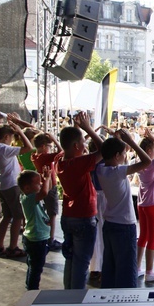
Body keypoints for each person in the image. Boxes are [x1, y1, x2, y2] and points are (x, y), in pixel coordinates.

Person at [96, 129, 152, 288]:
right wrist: (132, 142)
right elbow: (147, 161)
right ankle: (127, 304)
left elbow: (110, 153)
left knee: (110, 267)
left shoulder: (102, 169)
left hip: (110, 225)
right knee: (126, 270)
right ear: (116, 156)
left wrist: (117, 139)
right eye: (123, 153)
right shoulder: (118, 172)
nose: (126, 155)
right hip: (125, 225)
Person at [56, 112, 103, 290]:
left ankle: (68, 295)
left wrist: (77, 129)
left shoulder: (60, 162)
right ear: (76, 146)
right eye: (83, 143)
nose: (85, 146)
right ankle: (76, 300)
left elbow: (69, 145)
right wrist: (88, 128)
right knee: (82, 263)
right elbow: (104, 150)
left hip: (68, 217)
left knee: (71, 259)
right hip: (83, 217)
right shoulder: (79, 163)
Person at [0, 112, 34, 259]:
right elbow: (28, 147)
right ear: (6, 137)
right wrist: (19, 130)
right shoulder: (5, 149)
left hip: (1, 184)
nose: (12, 139)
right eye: (11, 136)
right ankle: (13, 247)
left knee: (6, 216)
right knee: (17, 217)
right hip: (12, 185)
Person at [135, 130, 154, 282]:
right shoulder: (152, 164)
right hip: (153, 204)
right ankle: (150, 271)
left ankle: (137, 268)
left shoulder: (138, 164)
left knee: (143, 236)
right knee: (152, 238)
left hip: (142, 203)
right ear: (148, 151)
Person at [18, 167, 51, 290]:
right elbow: (44, 192)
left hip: (34, 237)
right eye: (38, 183)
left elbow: (45, 190)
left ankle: (30, 287)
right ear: (27, 188)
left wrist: (46, 179)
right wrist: (47, 178)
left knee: (32, 265)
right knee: (36, 267)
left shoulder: (27, 197)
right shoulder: (30, 198)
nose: (41, 185)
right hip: (36, 239)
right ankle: (32, 290)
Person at [30, 132, 63, 251]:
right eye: (49, 146)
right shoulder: (44, 157)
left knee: (46, 213)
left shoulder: (34, 156)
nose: (50, 149)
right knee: (53, 213)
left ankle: (47, 236)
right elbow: (61, 152)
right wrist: (54, 139)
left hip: (43, 184)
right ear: (44, 146)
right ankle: (51, 239)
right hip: (50, 186)